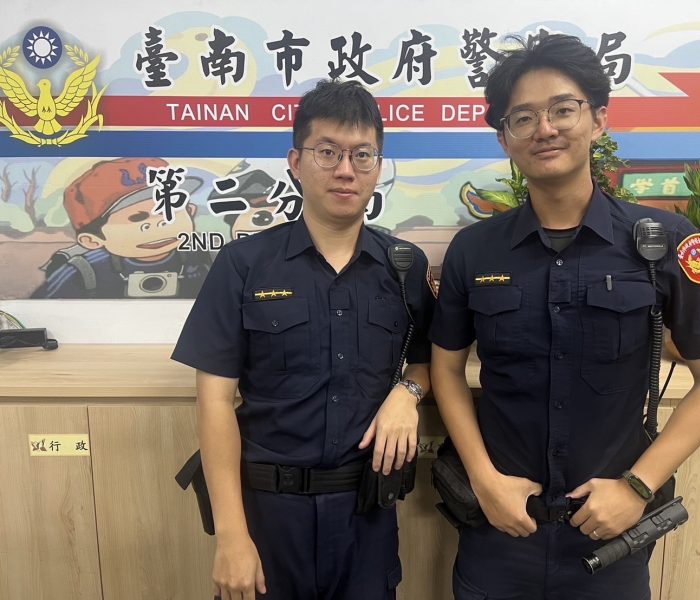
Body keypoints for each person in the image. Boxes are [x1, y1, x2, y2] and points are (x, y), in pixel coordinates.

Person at [429, 33, 700, 599]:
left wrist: (637, 487)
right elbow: (447, 369)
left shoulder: (663, 241)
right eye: (523, 117)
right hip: (499, 531)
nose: (544, 129)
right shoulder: (474, 251)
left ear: (598, 119)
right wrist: (484, 480)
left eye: (562, 109)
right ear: (504, 138)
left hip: (610, 540)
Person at [172, 79, 435, 600]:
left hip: (366, 516)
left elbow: (428, 362)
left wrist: (407, 395)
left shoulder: (404, 267)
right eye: (327, 152)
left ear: (378, 166)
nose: (345, 170)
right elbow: (215, 401)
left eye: (362, 155)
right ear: (295, 162)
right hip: (268, 518)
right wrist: (231, 536)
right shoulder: (244, 265)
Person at [31, 157, 210, 299]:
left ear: (190, 211)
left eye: (168, 209)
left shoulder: (208, 260)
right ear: (91, 240)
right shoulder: (83, 272)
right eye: (137, 218)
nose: (160, 223)